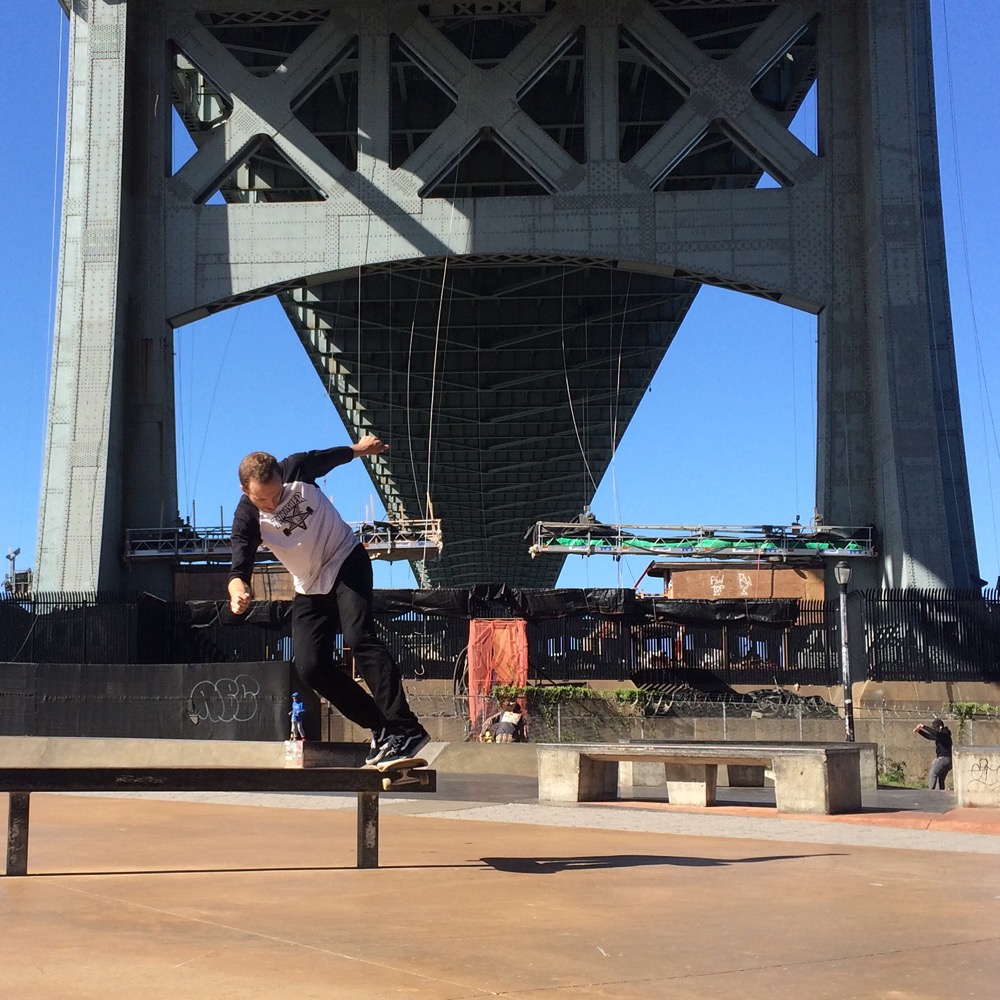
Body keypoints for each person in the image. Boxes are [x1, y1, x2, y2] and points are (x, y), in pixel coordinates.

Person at [228, 434, 430, 768]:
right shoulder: (246, 518)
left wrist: (361, 449)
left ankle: (406, 728)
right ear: (245, 492)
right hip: (309, 586)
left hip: (346, 559)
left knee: (359, 638)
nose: (273, 503)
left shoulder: (295, 467)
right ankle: (381, 728)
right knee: (310, 667)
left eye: (277, 493)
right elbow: (239, 567)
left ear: (280, 474)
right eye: (264, 500)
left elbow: (333, 456)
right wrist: (238, 590)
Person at [913, 717, 953, 790]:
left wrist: (924, 727)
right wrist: (920, 731)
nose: (934, 729)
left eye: (935, 728)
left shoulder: (945, 733)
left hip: (944, 758)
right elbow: (930, 736)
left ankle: (930, 792)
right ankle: (941, 794)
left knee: (933, 774)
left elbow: (936, 734)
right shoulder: (942, 735)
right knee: (940, 778)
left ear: (940, 726)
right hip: (948, 760)